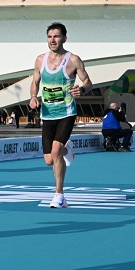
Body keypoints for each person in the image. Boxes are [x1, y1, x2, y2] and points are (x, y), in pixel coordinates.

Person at [29, 22, 92, 208]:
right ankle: (67, 149)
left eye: (56, 36)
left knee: (55, 152)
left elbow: (88, 81)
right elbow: (35, 82)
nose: (52, 40)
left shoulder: (73, 60)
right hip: (47, 114)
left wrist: (82, 89)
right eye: (49, 36)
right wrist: (33, 97)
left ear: (65, 38)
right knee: (49, 159)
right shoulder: (40, 60)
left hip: (66, 112)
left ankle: (59, 195)